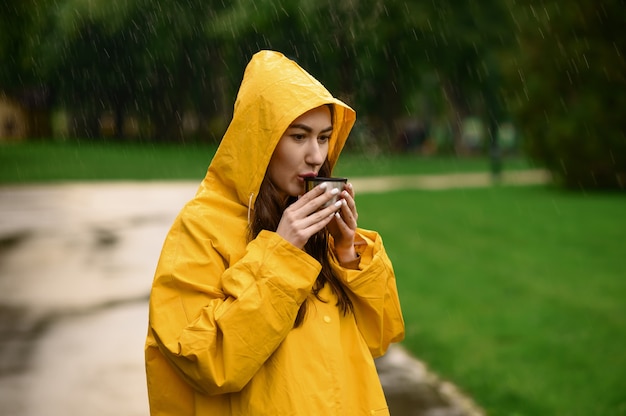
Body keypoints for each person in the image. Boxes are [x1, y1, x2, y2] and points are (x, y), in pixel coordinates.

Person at [145, 50, 405, 415]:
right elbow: (202, 359)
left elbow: (380, 337)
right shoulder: (201, 226)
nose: (316, 155)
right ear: (261, 140)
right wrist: (282, 251)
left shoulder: (318, 225)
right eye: (299, 136)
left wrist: (348, 251)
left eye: (324, 137)